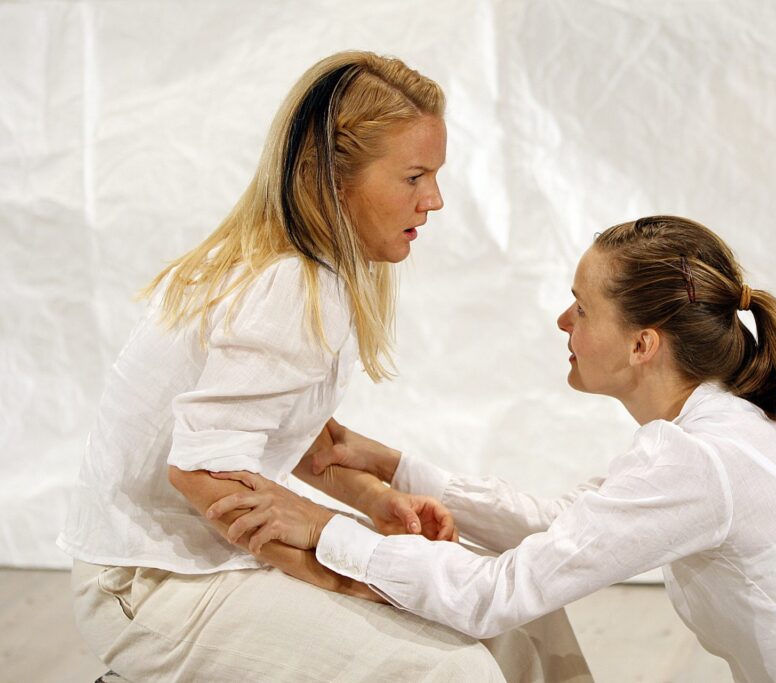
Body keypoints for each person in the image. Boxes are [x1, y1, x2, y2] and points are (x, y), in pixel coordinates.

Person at [211, 215, 776, 682]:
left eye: (581, 307)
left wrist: (324, 528)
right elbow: (567, 527)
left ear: (642, 344)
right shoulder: (717, 430)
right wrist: (391, 466)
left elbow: (497, 594)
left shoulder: (702, 460)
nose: (563, 323)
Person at [58, 51, 590, 682]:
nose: (435, 200)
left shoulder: (310, 271)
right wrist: (344, 572)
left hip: (208, 554)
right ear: (334, 181)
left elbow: (288, 430)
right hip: (152, 582)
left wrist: (376, 500)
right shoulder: (288, 284)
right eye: (414, 177)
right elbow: (203, 471)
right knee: (454, 671)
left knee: (515, 607)